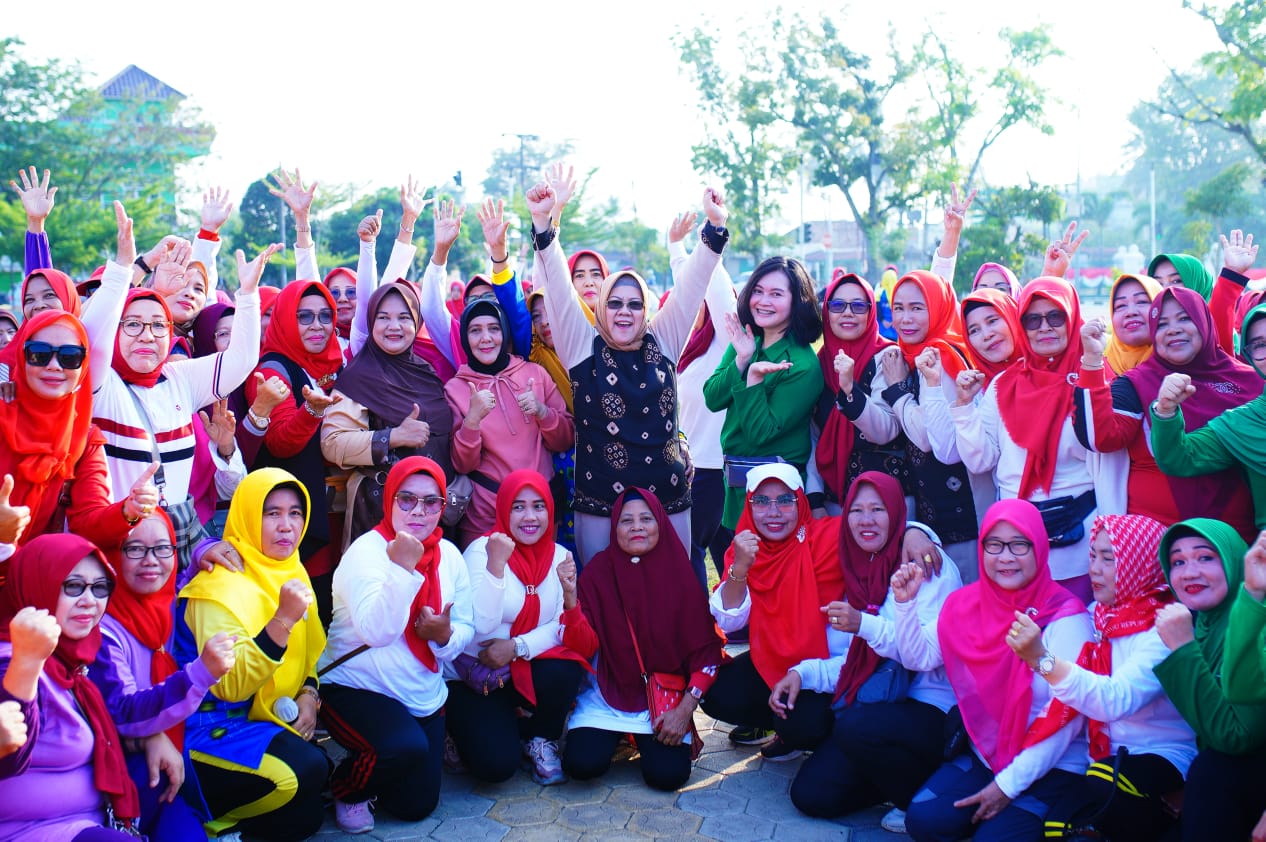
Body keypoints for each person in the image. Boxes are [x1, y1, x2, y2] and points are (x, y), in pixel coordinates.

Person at [528, 183, 729, 564]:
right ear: (601, 307)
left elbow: (692, 286)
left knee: (670, 591)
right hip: (600, 505)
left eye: (635, 304)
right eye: (615, 303)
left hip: (668, 501)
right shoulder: (581, 347)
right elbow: (557, 287)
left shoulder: (663, 340)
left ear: (646, 310)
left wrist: (714, 227)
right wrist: (543, 222)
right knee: (603, 595)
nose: (624, 311)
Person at [86, 202, 274, 570]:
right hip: (112, 557)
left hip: (172, 556)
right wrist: (125, 267)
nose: (147, 335)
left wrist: (249, 294)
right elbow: (90, 337)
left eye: (158, 325)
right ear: (115, 331)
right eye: (133, 324)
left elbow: (240, 360)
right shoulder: (101, 385)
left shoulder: (179, 379)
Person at [901, 499, 1094, 841]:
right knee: (923, 820)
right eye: (995, 544)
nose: (1006, 557)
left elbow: (1067, 718)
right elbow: (921, 657)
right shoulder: (967, 605)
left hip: (1055, 763)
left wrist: (1007, 786)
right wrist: (906, 605)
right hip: (989, 753)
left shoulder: (1065, 617)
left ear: (1039, 547)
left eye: (1020, 544)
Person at [784, 473, 962, 835]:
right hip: (879, 698)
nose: (867, 520)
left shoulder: (928, 564)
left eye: (878, 509)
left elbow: (923, 658)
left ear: (895, 512)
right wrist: (804, 673)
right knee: (811, 795)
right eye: (857, 510)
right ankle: (886, 778)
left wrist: (863, 623)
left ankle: (916, 794)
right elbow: (857, 659)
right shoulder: (861, 566)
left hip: (931, 707)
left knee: (856, 726)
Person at [1006, 514, 1194, 841]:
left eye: (1109, 558)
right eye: (1093, 556)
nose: (1094, 568)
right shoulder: (1098, 615)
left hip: (1161, 755)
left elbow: (1113, 701)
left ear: (1141, 563)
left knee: (1104, 782)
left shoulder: (1163, 628)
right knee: (1057, 829)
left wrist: (1042, 660)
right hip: (1102, 758)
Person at [318, 457, 474, 834]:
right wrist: (402, 569)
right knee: (401, 747)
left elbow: (467, 625)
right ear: (389, 500)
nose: (418, 511)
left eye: (431, 502)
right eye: (406, 499)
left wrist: (444, 636)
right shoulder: (366, 553)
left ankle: (382, 760)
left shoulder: (450, 556)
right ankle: (346, 787)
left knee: (416, 805)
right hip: (358, 687)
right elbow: (377, 633)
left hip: (421, 693)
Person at [176, 468, 328, 841]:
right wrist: (282, 621)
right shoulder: (217, 586)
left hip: (264, 717)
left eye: (295, 513)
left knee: (308, 813)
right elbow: (230, 687)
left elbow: (306, 656)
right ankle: (208, 821)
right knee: (300, 773)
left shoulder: (289, 569)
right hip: (206, 727)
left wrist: (309, 694)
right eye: (272, 513)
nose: (286, 526)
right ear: (246, 515)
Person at [563, 489, 722, 791]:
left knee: (667, 776)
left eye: (646, 519)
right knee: (582, 765)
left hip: (663, 701)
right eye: (626, 521)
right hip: (608, 694)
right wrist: (571, 602)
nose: (637, 527)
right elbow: (581, 646)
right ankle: (619, 736)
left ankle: (636, 739)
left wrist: (684, 711)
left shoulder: (679, 573)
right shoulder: (599, 572)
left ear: (660, 524)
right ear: (614, 527)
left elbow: (706, 652)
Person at [90, 511, 235, 841]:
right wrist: (199, 675)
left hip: (178, 755)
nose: (151, 560)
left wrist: (203, 549)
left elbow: (190, 570)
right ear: (113, 555)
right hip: (130, 769)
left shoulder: (173, 600)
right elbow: (122, 711)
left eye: (162, 548)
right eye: (134, 549)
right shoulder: (102, 626)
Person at [950, 278, 1098, 600]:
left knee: (1077, 624)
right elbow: (980, 460)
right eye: (1032, 320)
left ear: (1072, 319)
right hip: (1015, 544)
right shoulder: (1003, 384)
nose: (1044, 327)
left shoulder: (1093, 380)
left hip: (1080, 540)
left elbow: (1108, 462)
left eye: (1055, 317)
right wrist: (963, 406)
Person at [447, 470, 595, 785]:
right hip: (476, 676)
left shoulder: (560, 556)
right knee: (496, 767)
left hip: (520, 666)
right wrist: (496, 566)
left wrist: (516, 647)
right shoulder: (481, 551)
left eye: (539, 506)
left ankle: (540, 738)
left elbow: (559, 625)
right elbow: (481, 626)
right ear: (503, 509)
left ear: (550, 510)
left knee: (564, 668)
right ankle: (460, 730)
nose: (530, 516)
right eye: (518, 507)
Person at [1078, 286, 1261, 537]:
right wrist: (1092, 360)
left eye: (1184, 318)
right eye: (1162, 324)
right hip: (1158, 537)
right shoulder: (1137, 383)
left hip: (1238, 537)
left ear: (1204, 322)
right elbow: (1100, 439)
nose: (1173, 329)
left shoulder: (1250, 380)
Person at [0, 533, 142, 840]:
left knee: (168, 787)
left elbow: (122, 710)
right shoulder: (11, 659)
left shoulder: (77, 654)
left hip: (93, 817)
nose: (90, 600)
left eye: (100, 587)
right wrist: (26, 663)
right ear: (39, 585)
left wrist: (156, 737)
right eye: (73, 586)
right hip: (31, 830)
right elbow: (8, 755)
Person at [0, 310, 157, 564]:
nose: (54, 365)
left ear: (83, 365)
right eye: (38, 354)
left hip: (36, 579)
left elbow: (88, 521)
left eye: (70, 357)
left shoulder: (84, 439)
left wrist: (127, 511)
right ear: (22, 356)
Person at [1151, 518, 1266, 841]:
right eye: (1178, 562)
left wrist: (1183, 649)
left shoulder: (1254, 621)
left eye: (1205, 557)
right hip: (1223, 784)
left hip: (1246, 777)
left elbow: (1238, 737)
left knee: (1212, 770)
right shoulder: (1197, 623)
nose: (1189, 573)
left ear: (1234, 561)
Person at [321, 280, 454, 547]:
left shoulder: (427, 372)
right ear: (371, 322)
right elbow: (332, 443)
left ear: (417, 323)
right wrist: (392, 437)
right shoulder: (359, 376)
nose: (394, 326)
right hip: (379, 511)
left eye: (404, 318)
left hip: (434, 511)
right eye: (383, 318)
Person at [246, 277, 343, 621]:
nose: (317, 325)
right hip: (291, 516)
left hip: (327, 506)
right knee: (300, 610)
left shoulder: (332, 365)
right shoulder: (272, 370)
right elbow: (280, 442)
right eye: (304, 316)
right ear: (286, 319)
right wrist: (312, 411)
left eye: (325, 316)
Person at [704, 255, 823, 532]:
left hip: (775, 497)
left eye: (776, 294)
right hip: (736, 486)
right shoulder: (748, 340)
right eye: (758, 290)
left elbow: (761, 433)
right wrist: (742, 360)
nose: (763, 301)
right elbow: (712, 398)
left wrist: (754, 380)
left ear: (797, 301)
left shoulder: (802, 364)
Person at [443, 296, 574, 547]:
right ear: (465, 338)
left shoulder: (534, 374)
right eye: (475, 330)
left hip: (541, 509)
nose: (486, 338)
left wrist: (542, 412)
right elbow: (462, 464)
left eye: (494, 328)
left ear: (505, 332)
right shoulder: (456, 389)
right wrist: (472, 421)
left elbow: (565, 439)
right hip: (488, 514)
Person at [1151, 301, 1266, 531]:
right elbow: (1179, 457)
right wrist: (1165, 410)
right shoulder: (1243, 422)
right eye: (1260, 345)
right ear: (1250, 356)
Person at [808, 270, 899, 516]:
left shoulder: (888, 357)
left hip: (883, 503)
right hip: (832, 503)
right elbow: (813, 437)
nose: (847, 313)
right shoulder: (819, 364)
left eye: (858, 306)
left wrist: (850, 390)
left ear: (871, 312)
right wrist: (815, 499)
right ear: (826, 312)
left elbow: (885, 431)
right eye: (838, 305)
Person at [1103, 273, 1162, 377]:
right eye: (1120, 305)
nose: (1131, 312)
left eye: (1141, 301)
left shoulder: (1180, 362)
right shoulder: (1096, 361)